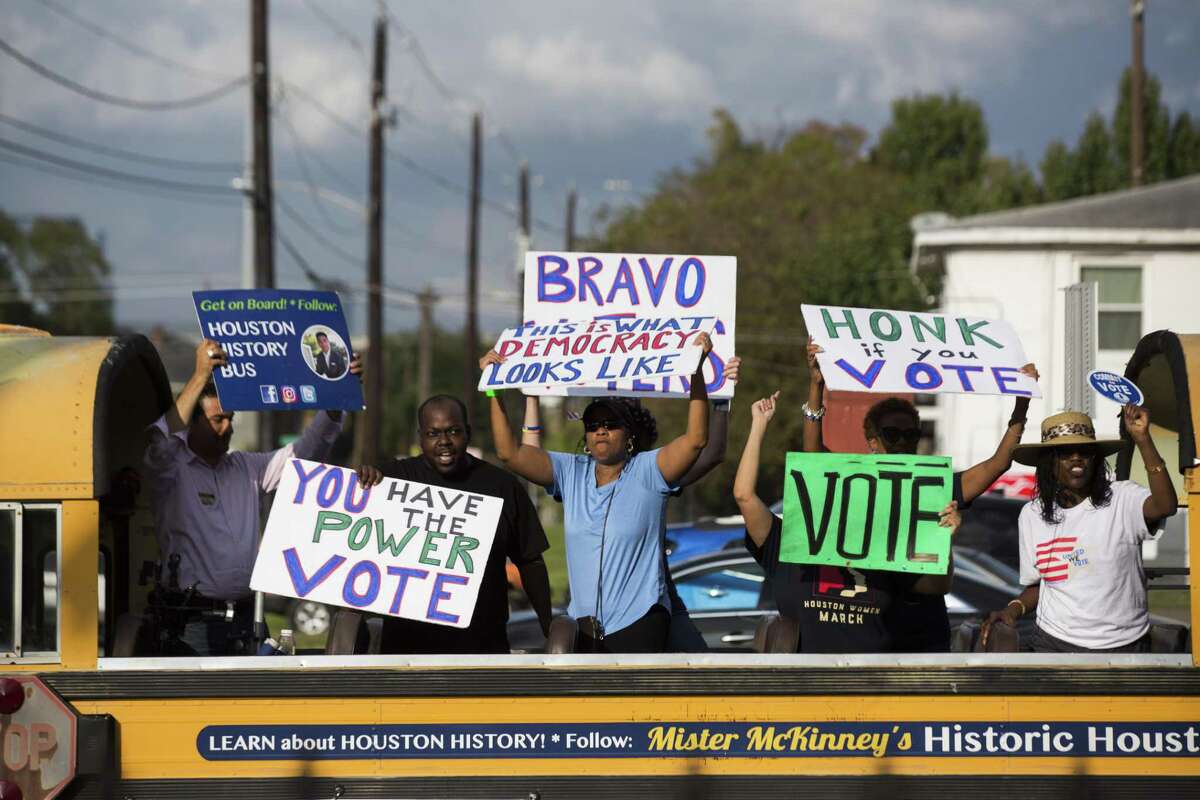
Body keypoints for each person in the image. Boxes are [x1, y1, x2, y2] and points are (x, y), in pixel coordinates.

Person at [803, 338, 1039, 651]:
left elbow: (997, 464)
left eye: (911, 434)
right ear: (872, 441)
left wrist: (1022, 401)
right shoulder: (853, 481)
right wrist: (817, 385)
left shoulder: (933, 486)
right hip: (863, 626)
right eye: (892, 434)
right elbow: (812, 457)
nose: (903, 440)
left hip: (921, 629)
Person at [482, 334, 714, 653]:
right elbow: (509, 453)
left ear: (629, 435)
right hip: (584, 626)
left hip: (640, 621)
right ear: (586, 436)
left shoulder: (650, 469)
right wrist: (494, 388)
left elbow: (697, 439)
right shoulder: (570, 471)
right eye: (592, 425)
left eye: (610, 424)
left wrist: (696, 371)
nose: (600, 430)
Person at [144, 338, 360, 655]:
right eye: (218, 419)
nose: (228, 427)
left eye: (230, 418)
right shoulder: (173, 470)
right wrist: (200, 376)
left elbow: (305, 455)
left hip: (247, 617)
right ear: (192, 427)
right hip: (192, 622)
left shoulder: (246, 467)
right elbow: (160, 440)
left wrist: (334, 401)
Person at [734, 391, 960, 653]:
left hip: (870, 684)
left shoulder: (882, 547)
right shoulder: (788, 543)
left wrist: (945, 539)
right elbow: (744, 495)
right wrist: (758, 426)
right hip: (806, 687)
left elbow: (937, 586)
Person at [357, 394, 553, 654]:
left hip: (482, 648)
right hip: (406, 652)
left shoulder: (502, 486)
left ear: (468, 433)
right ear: (421, 437)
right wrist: (364, 482)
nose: (444, 442)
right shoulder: (391, 480)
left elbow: (530, 562)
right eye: (433, 433)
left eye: (453, 431)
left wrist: (548, 626)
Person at [981, 407, 1177, 652]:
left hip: (1124, 645)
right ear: (1048, 462)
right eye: (1064, 452)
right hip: (1052, 643)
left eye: (1084, 451)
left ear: (1095, 459)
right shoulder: (1031, 515)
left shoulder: (1123, 498)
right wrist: (1012, 609)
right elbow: (1042, 583)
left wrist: (1144, 440)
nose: (1076, 458)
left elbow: (1165, 505)